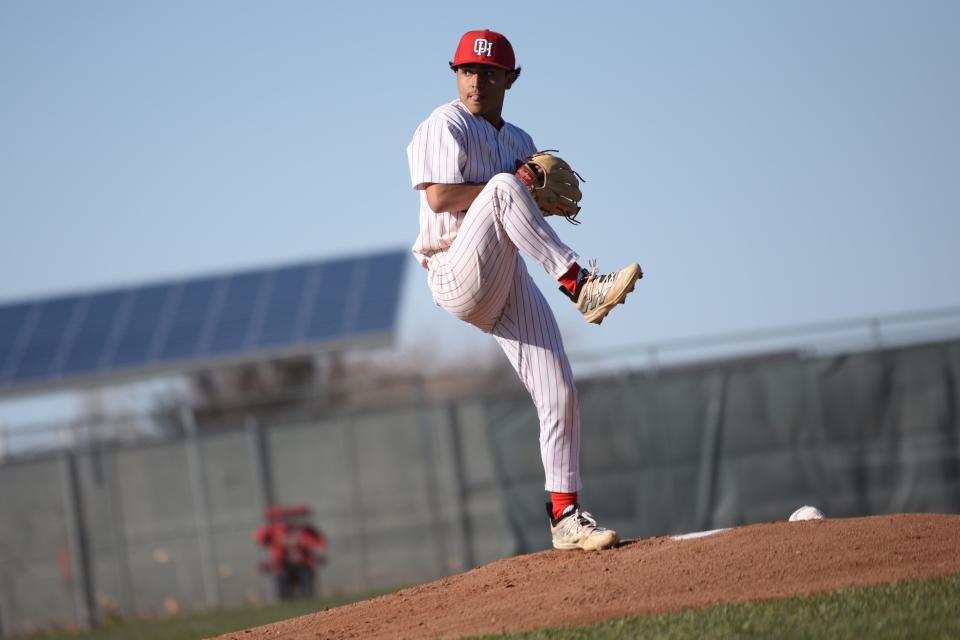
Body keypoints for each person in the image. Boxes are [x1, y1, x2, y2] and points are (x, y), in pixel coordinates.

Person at [406, 29, 642, 551]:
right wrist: (514, 185)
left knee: (558, 388)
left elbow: (523, 209)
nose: (476, 81)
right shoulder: (444, 124)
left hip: (505, 277)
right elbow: (442, 197)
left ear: (510, 79)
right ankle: (580, 285)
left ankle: (565, 516)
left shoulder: (520, 142)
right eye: (467, 70)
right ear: (456, 74)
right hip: (453, 270)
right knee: (505, 184)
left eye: (489, 73)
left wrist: (532, 193)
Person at [254, 505, 327, 599]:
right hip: (283, 563)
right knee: (283, 577)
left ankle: (306, 596)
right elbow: (260, 539)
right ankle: (286, 598)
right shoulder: (274, 531)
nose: (289, 522)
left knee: (304, 576)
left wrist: (302, 541)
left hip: (303, 562)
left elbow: (320, 543)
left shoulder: (305, 531)